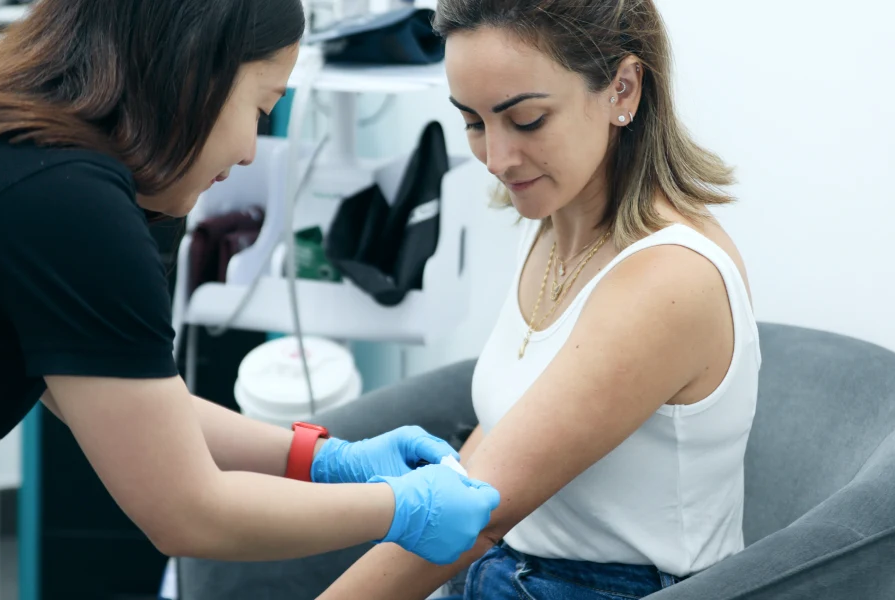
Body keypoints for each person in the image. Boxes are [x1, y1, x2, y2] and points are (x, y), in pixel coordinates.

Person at [0, 0, 499, 566]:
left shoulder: (7, 144)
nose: (252, 150)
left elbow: (133, 407)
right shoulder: (64, 200)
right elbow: (187, 510)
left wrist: (323, 459)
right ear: (196, 72)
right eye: (260, 107)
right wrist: (399, 510)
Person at [308, 0, 763, 598]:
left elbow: (475, 514)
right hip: (499, 567)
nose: (497, 159)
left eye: (525, 120)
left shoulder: (671, 277)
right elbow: (493, 463)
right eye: (473, 122)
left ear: (622, 89)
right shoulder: (553, 223)